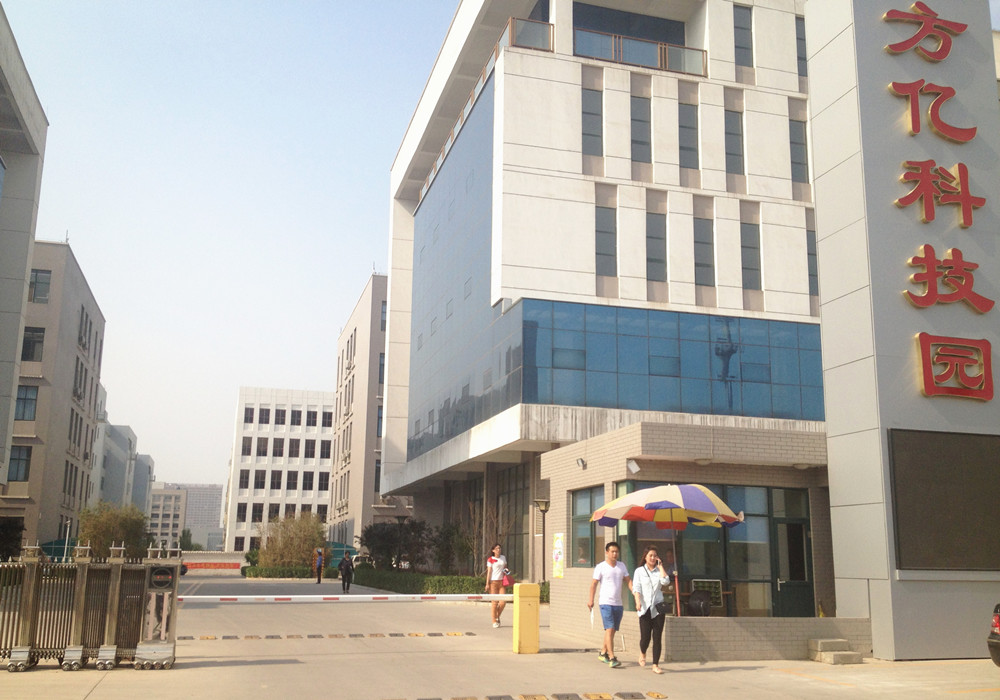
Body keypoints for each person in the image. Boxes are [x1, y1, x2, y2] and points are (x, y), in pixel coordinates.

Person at [587, 541, 633, 668]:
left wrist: (635, 592)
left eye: (616, 552)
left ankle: (603, 652)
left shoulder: (621, 566)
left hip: (618, 603)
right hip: (605, 602)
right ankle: (612, 657)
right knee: (610, 628)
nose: (614, 554)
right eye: (612, 551)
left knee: (612, 631)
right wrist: (591, 600)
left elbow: (628, 581)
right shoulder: (601, 567)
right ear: (607, 552)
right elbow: (594, 584)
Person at [632, 545, 669, 674]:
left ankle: (655, 665)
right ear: (645, 557)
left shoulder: (659, 571)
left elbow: (665, 582)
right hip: (644, 608)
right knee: (645, 638)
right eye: (650, 555)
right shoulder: (639, 571)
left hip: (658, 608)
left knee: (657, 637)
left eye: (655, 556)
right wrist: (637, 602)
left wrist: (661, 566)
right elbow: (636, 588)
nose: (653, 558)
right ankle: (643, 652)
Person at [484, 543, 508, 628]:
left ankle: (497, 615)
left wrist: (507, 573)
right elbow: (489, 572)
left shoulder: (503, 558)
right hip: (493, 582)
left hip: (502, 582)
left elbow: (505, 568)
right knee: (494, 603)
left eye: (499, 548)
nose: (499, 550)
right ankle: (494, 621)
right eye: (497, 548)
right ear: (493, 550)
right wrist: (487, 584)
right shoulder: (490, 559)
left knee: (503, 602)